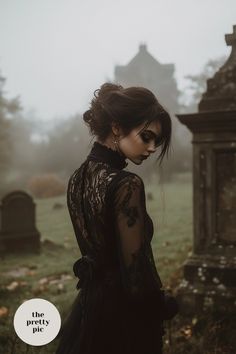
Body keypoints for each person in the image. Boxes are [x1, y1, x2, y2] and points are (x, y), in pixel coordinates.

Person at [56, 83, 179, 354]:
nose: (151, 148)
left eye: (156, 142)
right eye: (146, 136)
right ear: (116, 127)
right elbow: (136, 280)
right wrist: (165, 305)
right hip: (122, 318)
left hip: (89, 308)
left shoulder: (77, 179)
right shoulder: (127, 184)